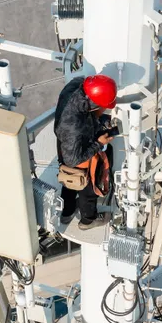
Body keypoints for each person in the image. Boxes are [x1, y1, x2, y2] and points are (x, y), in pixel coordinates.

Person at [54, 74, 117, 229]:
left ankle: (67, 212)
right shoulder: (74, 126)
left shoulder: (74, 87)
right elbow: (73, 160)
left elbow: (86, 114)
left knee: (69, 185)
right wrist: (98, 143)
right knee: (87, 189)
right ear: (95, 105)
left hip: (68, 143)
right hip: (76, 155)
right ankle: (88, 220)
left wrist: (99, 121)